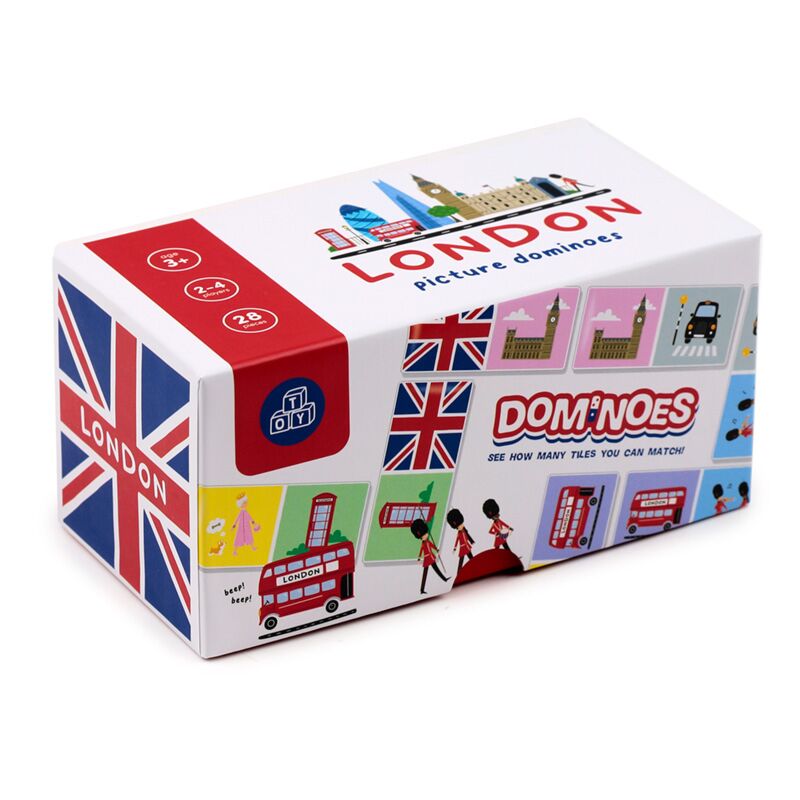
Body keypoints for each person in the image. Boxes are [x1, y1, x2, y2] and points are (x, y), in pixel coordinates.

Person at [410, 518, 449, 595]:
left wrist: (436, 549)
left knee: (435, 569)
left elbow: (432, 546)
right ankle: (422, 589)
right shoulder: (423, 543)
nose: (426, 535)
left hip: (430, 557)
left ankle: (444, 579)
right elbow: (421, 550)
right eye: (424, 534)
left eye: (426, 533)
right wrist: (419, 557)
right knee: (425, 573)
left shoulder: (428, 541)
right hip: (427, 558)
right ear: (420, 536)